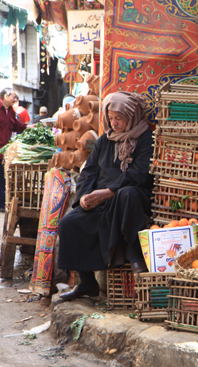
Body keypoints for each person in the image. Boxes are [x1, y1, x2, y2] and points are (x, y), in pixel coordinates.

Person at [57, 92, 154, 301]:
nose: (114, 122)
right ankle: (87, 282)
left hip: (128, 196)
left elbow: (140, 173)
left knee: (127, 194)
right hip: (100, 201)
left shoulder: (145, 138)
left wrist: (110, 191)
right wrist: (83, 197)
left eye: (119, 117)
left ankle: (135, 253)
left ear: (132, 116)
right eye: (110, 117)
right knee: (69, 222)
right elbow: (89, 172)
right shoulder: (104, 140)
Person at [0, 88, 29, 212]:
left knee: (3, 179)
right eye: (13, 97)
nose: (15, 100)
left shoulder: (11, 111)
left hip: (4, 151)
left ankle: (2, 205)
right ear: (5, 96)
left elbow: (15, 126)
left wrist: (28, 126)